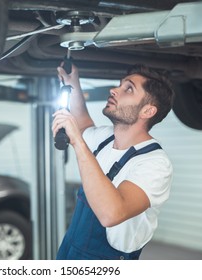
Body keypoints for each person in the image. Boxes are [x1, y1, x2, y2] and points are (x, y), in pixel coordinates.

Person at [52, 63, 175, 260]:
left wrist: (78, 143)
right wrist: (72, 83)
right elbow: (83, 123)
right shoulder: (106, 138)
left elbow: (111, 213)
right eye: (120, 85)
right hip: (71, 249)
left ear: (147, 111)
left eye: (128, 89)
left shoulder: (155, 163)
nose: (114, 90)